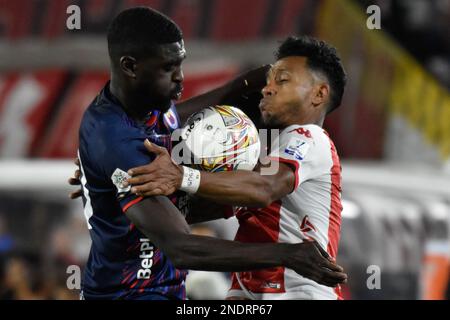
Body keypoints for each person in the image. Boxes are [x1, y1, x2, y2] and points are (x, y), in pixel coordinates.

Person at [73, 7, 346, 300]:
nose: (267, 89)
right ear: (130, 67)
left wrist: (176, 177)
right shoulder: (119, 134)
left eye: (282, 80)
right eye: (269, 80)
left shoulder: (309, 139)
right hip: (150, 293)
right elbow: (183, 233)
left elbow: (262, 189)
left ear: (319, 94)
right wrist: (106, 182)